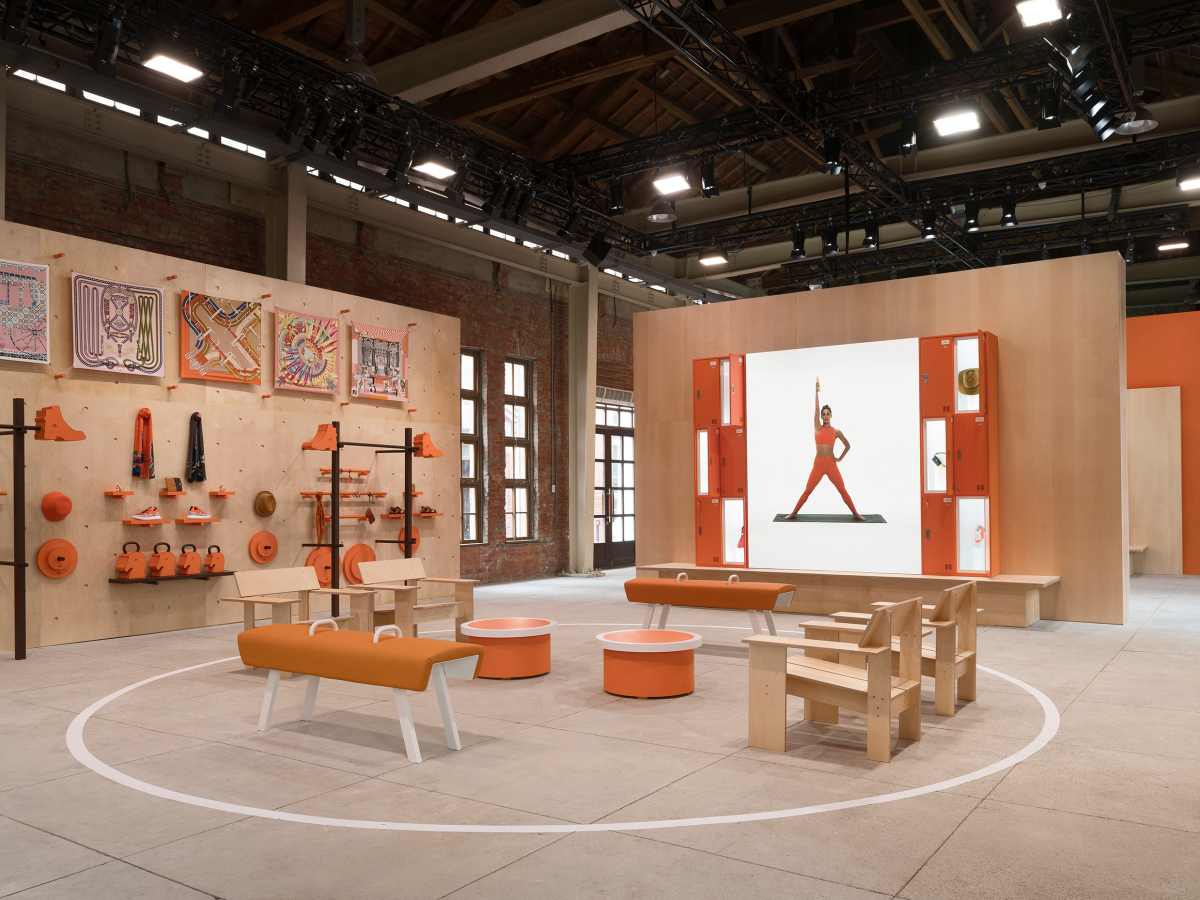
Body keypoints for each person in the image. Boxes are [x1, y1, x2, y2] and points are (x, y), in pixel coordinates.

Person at [787, 377, 863, 520]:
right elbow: (816, 409)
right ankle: (793, 513)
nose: (826, 416)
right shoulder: (817, 427)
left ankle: (856, 513)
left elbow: (848, 445)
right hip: (818, 464)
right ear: (821, 416)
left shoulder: (836, 432)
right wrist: (816, 392)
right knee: (808, 490)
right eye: (824, 414)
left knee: (842, 490)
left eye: (828, 414)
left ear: (831, 415)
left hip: (831, 464)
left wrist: (839, 458)